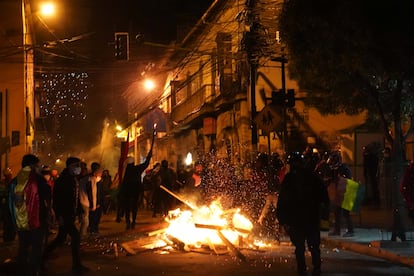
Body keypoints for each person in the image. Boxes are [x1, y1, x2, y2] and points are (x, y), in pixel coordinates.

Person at [277, 152, 329, 276]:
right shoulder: (312, 176)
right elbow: (324, 197)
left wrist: (282, 220)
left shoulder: (289, 179)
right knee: (314, 246)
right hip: (311, 218)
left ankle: (302, 270)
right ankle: (317, 268)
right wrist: (324, 215)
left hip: (296, 220)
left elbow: (282, 200)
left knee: (299, 248)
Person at [42, 157, 89, 274]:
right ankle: (76, 265)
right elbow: (58, 200)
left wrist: (79, 212)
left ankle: (42, 258)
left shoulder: (73, 179)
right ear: (70, 166)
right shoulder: (63, 180)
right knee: (75, 237)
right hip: (65, 215)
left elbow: (74, 198)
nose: (79, 168)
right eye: (76, 166)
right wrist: (60, 216)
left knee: (60, 238)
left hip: (69, 214)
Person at [9, 154, 51, 275]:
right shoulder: (38, 179)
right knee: (36, 248)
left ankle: (21, 270)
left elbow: (11, 203)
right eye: (37, 165)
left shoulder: (15, 180)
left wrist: (16, 221)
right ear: (32, 165)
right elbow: (46, 199)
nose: (38, 167)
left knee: (23, 247)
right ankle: (34, 271)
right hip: (36, 221)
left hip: (21, 222)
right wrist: (48, 215)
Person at [118, 150, 152, 230]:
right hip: (135, 191)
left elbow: (123, 182)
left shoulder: (125, 171)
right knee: (134, 207)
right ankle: (133, 222)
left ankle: (128, 223)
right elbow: (145, 164)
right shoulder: (137, 169)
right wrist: (148, 157)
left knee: (127, 208)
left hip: (127, 191)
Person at [327, 151, 354, 237]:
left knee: (346, 213)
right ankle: (337, 230)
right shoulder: (335, 169)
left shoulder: (344, 168)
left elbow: (348, 180)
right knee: (336, 212)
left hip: (346, 193)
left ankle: (350, 231)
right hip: (338, 193)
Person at [0, 167, 16, 242]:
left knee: (11, 223)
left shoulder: (13, 183)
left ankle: (10, 237)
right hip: (6, 206)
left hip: (12, 206)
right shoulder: (3, 183)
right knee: (7, 223)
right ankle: (7, 237)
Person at [88, 163, 104, 234]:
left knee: (97, 217)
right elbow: (92, 193)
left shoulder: (99, 181)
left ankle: (95, 229)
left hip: (99, 202)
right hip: (94, 203)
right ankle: (92, 229)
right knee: (93, 217)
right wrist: (95, 203)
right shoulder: (91, 180)